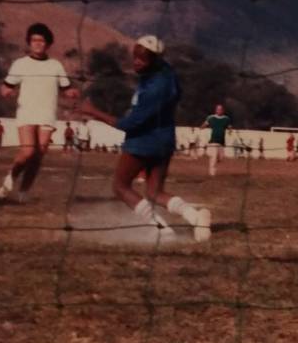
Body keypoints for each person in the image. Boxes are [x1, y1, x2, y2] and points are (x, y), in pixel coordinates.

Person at [80, 35, 211, 243]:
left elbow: (129, 124)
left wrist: (92, 111)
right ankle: (193, 215)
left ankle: (161, 228)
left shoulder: (154, 89)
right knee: (154, 192)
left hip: (143, 141)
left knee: (121, 187)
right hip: (165, 141)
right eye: (135, 56)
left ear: (155, 60)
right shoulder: (167, 75)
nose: (136, 61)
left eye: (142, 58)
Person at [0, 23, 79, 202]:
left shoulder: (55, 66)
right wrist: (5, 92)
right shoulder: (20, 64)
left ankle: (24, 192)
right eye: (34, 40)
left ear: (48, 44)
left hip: (47, 114)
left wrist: (72, 93)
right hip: (26, 112)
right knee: (28, 152)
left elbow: (67, 88)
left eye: (41, 41)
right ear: (29, 43)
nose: (37, 44)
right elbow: (5, 86)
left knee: (39, 155)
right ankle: (11, 176)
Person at [200, 103, 231, 176]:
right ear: (215, 110)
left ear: (223, 110)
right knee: (213, 158)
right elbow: (205, 124)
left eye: (220, 109)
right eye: (218, 109)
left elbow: (229, 126)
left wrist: (230, 130)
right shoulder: (211, 117)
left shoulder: (226, 119)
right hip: (213, 141)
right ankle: (212, 173)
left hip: (221, 142)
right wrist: (202, 127)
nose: (219, 110)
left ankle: (212, 157)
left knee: (221, 158)